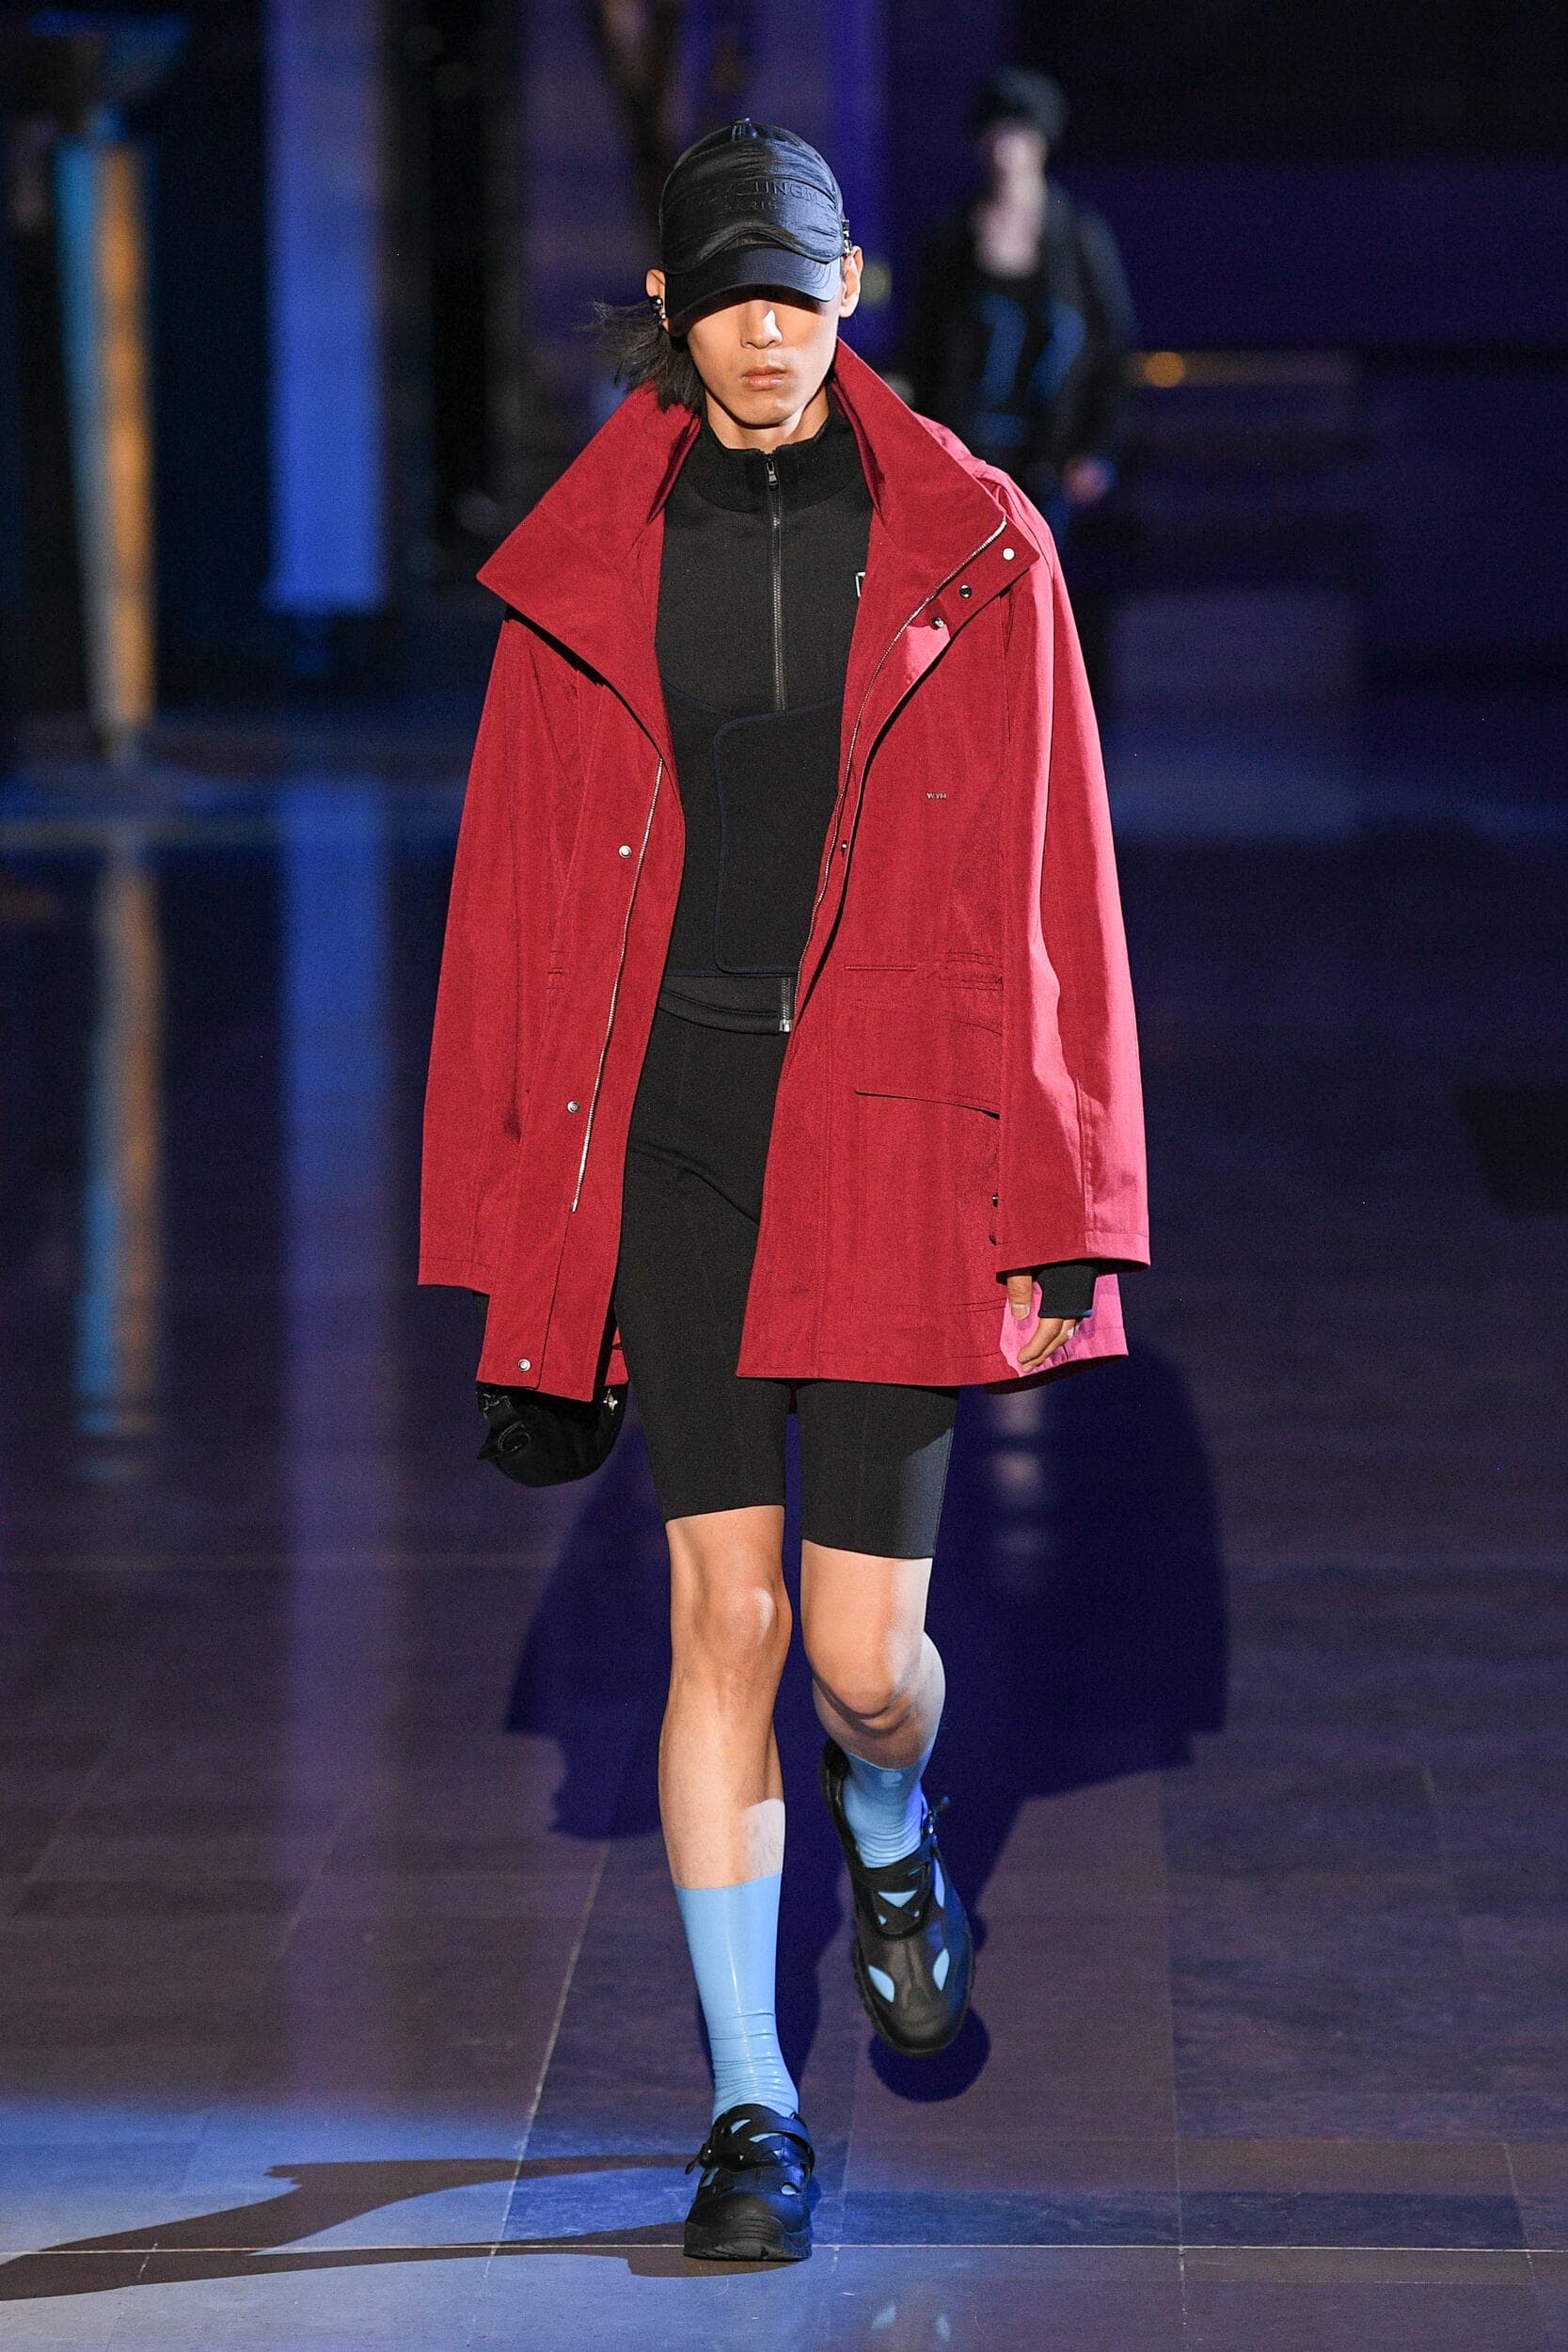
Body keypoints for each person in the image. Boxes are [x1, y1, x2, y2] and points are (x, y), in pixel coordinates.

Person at [420, 118, 1148, 2265]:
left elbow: (1057, 891)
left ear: (852, 292)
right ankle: (750, 2105)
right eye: (726, 296)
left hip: (897, 1134)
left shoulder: (975, 543)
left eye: (796, 291)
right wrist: (514, 1229)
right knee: (717, 1623)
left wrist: (1067, 1199)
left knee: (858, 1663)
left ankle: (893, 1822)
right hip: (679, 1138)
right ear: (668, 307)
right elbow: (516, 908)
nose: (766, 334)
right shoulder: (581, 570)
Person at [903, 67, 1136, 547]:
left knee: (1041, 574)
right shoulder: (951, 236)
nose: (1005, 151)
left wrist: (1098, 448)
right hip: (966, 453)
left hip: (1049, 457)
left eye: (1019, 136)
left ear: (1042, 143)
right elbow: (922, 345)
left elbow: (1111, 347)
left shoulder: (1078, 237)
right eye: (995, 135)